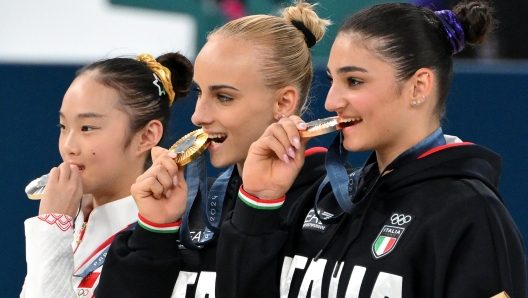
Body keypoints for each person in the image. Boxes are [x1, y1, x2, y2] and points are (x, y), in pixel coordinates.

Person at [217, 1, 527, 297]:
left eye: (353, 81)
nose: (331, 102)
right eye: (332, 80)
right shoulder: (325, 201)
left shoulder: (471, 214)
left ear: (418, 87)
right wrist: (259, 202)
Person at [95, 2, 332, 297]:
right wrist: (153, 233)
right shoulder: (186, 204)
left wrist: (258, 209)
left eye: (223, 97)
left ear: (283, 103)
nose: (198, 116)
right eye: (198, 92)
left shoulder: (335, 209)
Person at [20, 52, 193, 298]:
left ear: (146, 136)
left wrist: (52, 229)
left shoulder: (162, 242)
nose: (68, 146)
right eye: (63, 127)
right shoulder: (70, 222)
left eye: (87, 128)